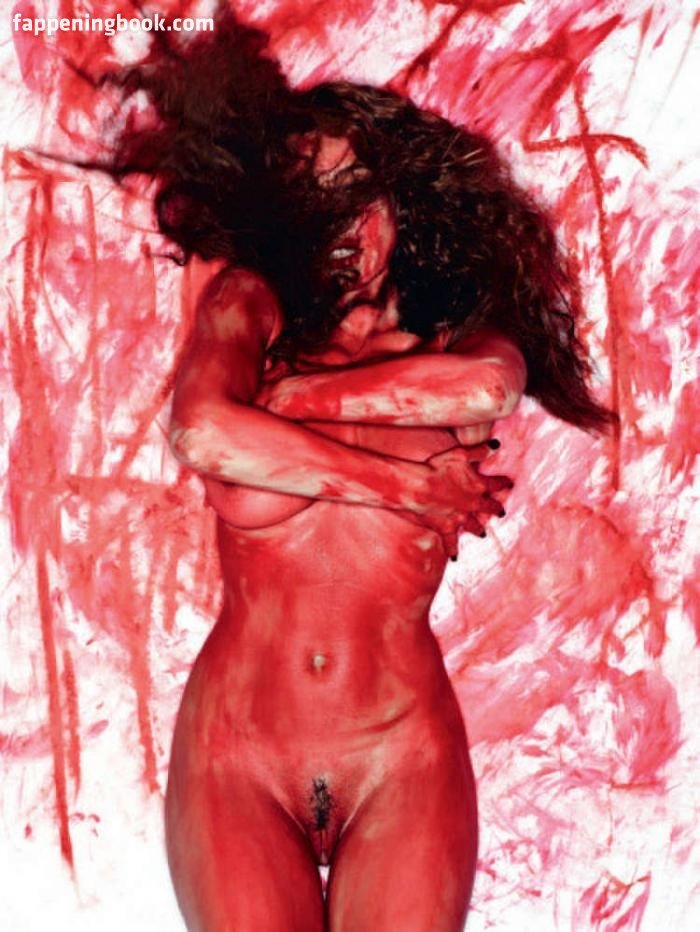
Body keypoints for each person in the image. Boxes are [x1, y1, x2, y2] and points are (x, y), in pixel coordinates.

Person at [91, 10, 612, 930]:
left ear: (402, 205)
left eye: (359, 193)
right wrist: (405, 485)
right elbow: (203, 431)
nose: (345, 224)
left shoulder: (456, 334)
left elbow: (490, 385)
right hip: (238, 755)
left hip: (400, 755)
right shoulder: (248, 308)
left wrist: (295, 402)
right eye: (315, 198)